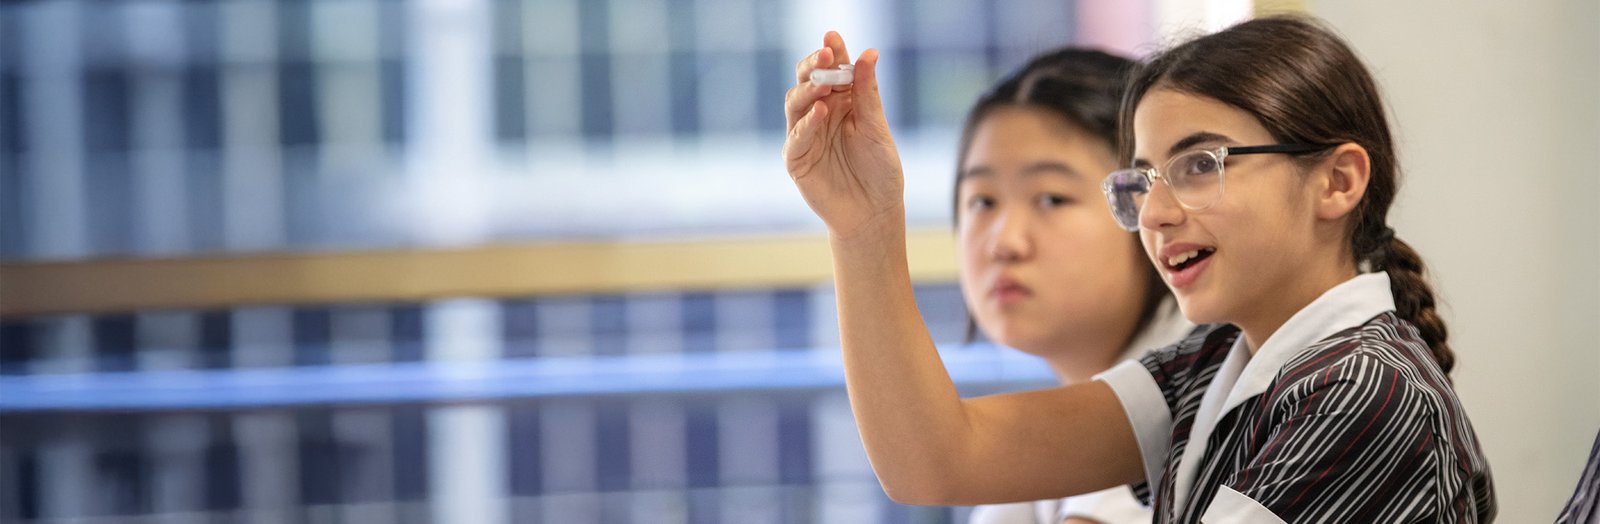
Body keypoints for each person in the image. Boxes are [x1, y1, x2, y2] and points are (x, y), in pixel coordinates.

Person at [781, 16, 1495, 522]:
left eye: (1198, 165)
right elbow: (937, 460)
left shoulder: (1363, 392)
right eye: (1143, 179)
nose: (1153, 214)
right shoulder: (1215, 362)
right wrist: (864, 225)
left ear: (1337, 181)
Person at [951, 48, 1191, 524]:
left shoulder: (1188, 391)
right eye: (982, 202)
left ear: (1147, 207)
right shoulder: (1046, 445)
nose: (1005, 242)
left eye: (1051, 198)